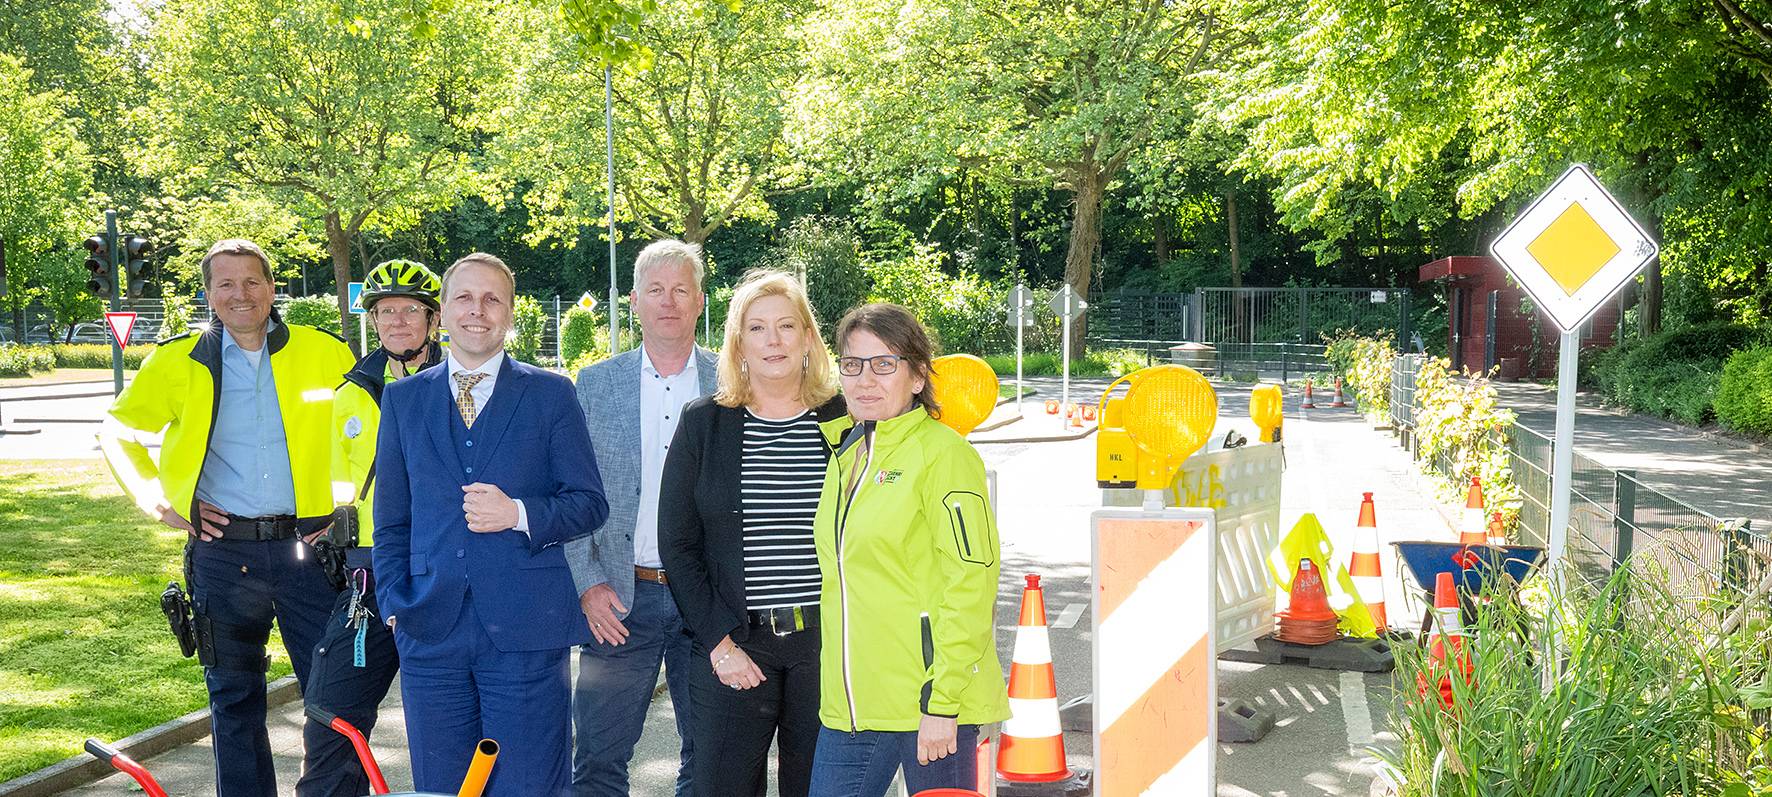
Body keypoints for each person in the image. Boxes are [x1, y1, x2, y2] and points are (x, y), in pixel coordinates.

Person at [98, 239, 356, 797]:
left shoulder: (326, 352)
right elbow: (117, 432)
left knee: (333, 699)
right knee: (234, 701)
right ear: (209, 294)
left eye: (252, 281)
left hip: (313, 552)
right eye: (226, 284)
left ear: (272, 288)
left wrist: (349, 507)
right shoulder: (176, 361)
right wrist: (159, 499)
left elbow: (370, 431)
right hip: (224, 554)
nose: (241, 294)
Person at [373, 252, 607, 796]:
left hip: (527, 630)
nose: (477, 310)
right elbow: (391, 521)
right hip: (430, 629)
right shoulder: (404, 399)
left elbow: (589, 503)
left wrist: (518, 513)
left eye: (491, 299)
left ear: (510, 312)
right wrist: (393, 603)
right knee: (441, 788)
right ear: (442, 313)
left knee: (529, 785)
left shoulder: (551, 393)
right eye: (464, 297)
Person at [805, 303, 1010, 797]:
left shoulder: (944, 455)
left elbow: (972, 582)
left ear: (918, 376)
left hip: (931, 706)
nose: (864, 379)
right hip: (852, 709)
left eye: (884, 364)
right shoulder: (846, 455)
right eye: (852, 364)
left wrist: (943, 700)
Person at [658, 270, 844, 797]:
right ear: (739, 343)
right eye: (757, 328)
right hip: (734, 643)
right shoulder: (704, 423)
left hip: (827, 645)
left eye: (787, 325)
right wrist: (719, 645)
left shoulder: (845, 419)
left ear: (807, 337)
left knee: (818, 788)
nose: (773, 340)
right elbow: (678, 545)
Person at [566, 239, 715, 797]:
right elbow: (570, 492)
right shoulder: (595, 383)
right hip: (620, 600)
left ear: (700, 301)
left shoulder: (734, 383)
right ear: (633, 301)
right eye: (655, 290)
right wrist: (588, 584)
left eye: (680, 290)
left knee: (711, 760)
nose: (668, 302)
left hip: (709, 602)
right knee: (598, 759)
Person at [297, 259, 444, 797]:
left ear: (433, 320)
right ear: (373, 321)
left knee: (450, 720)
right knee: (330, 711)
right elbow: (338, 476)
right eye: (385, 311)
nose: (397, 321)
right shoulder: (351, 392)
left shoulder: (463, 382)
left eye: (411, 310)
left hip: (444, 567)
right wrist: (326, 529)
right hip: (370, 573)